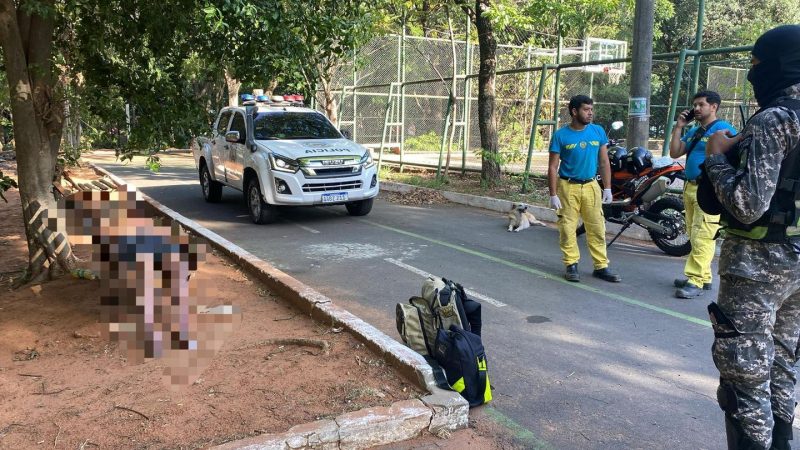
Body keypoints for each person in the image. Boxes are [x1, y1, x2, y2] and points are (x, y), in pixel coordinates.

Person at [703, 25, 800, 449]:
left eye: (757, 65)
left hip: (757, 264)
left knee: (743, 374)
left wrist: (715, 158)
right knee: (783, 359)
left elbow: (747, 204)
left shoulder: (774, 120)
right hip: (798, 264)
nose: (751, 74)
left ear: (780, 65)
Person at [669, 90, 737, 299]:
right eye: (695, 105)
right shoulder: (696, 131)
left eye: (701, 105)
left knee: (703, 235)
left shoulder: (724, 129)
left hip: (708, 190)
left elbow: (735, 156)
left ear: (714, 107)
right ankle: (704, 276)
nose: (696, 108)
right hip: (690, 187)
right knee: (693, 232)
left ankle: (695, 279)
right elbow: (675, 152)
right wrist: (679, 127)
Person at [548, 95, 621, 283]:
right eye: (586, 109)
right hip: (567, 187)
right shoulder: (560, 136)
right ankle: (571, 264)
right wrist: (553, 194)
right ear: (574, 111)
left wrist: (607, 188)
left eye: (591, 109)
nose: (590, 113)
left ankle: (601, 266)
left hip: (591, 186)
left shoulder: (597, 131)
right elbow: (553, 167)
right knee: (567, 228)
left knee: (597, 227)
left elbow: (604, 162)